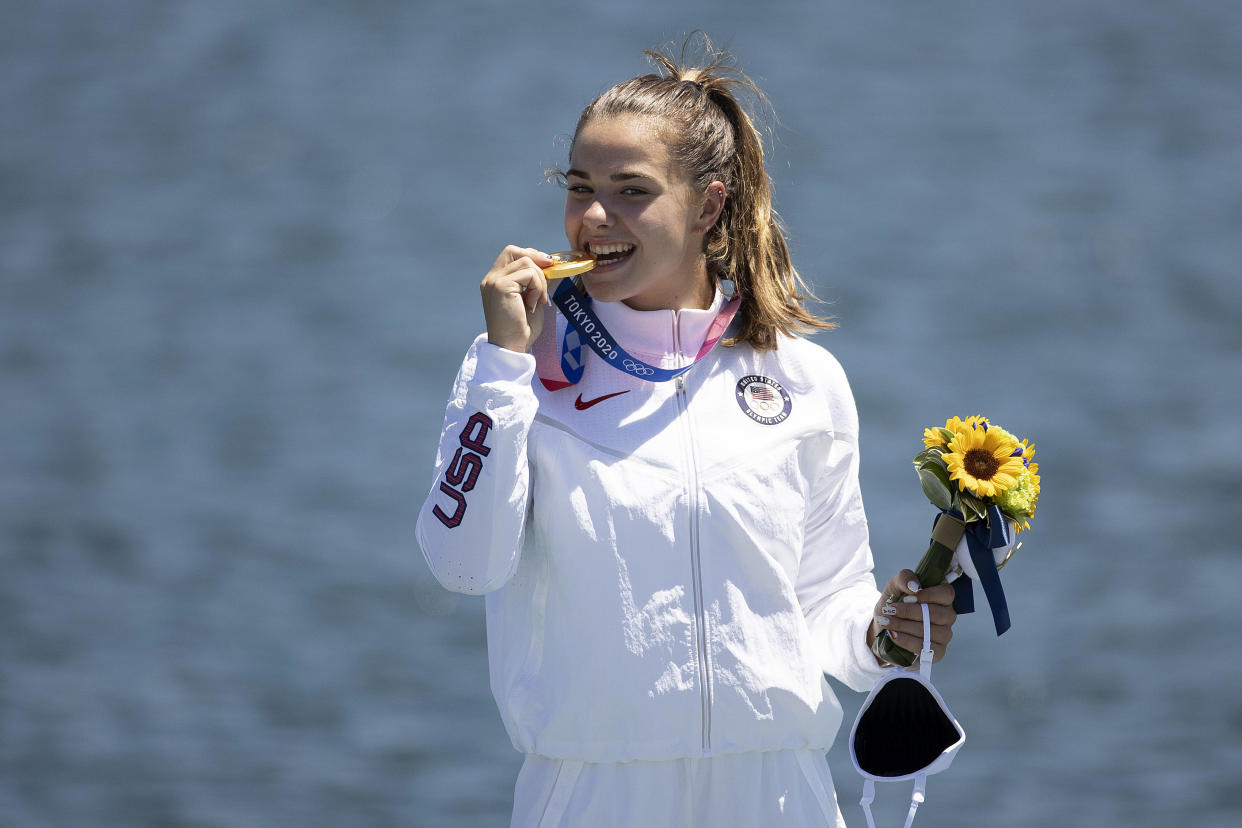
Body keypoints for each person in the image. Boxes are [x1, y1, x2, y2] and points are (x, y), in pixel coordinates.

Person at [416, 34, 958, 828]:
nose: (593, 219)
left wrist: (883, 634)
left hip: (781, 794)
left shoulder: (803, 381)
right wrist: (502, 363)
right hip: (595, 794)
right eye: (579, 188)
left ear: (707, 206)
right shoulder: (516, 367)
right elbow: (461, 566)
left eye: (631, 191)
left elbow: (826, 611)